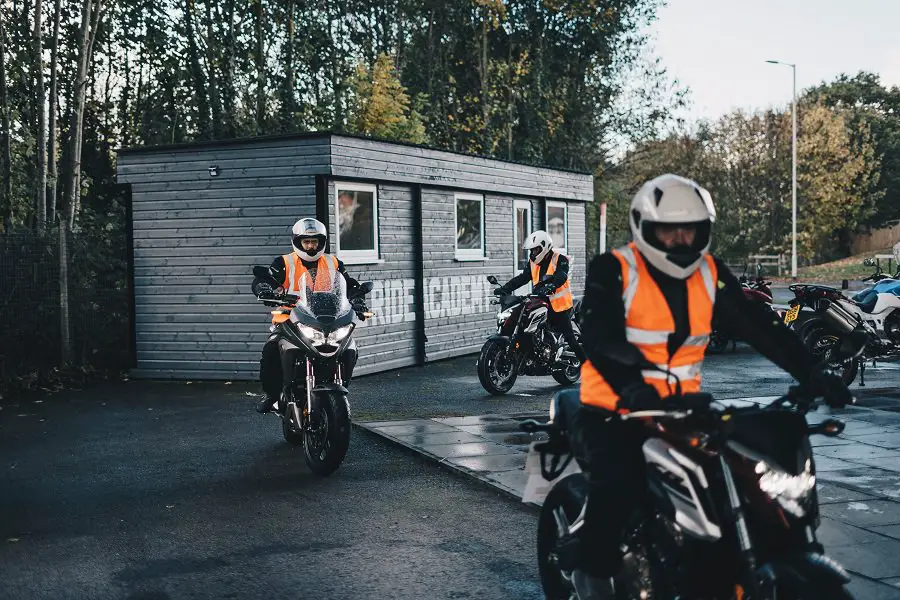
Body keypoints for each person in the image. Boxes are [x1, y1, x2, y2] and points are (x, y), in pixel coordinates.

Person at [559, 173, 854, 581]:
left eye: (691, 230)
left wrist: (814, 372)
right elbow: (599, 336)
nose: (681, 240)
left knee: (730, 488)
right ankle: (591, 575)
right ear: (644, 227)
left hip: (685, 409)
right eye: (669, 230)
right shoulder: (614, 268)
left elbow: (758, 325)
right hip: (615, 408)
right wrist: (634, 386)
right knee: (619, 486)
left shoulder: (708, 273)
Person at [255, 217, 367, 414]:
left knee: (349, 347)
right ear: (298, 242)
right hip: (289, 319)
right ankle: (272, 394)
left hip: (326, 319)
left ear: (321, 242)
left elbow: (347, 283)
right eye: (306, 242)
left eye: (314, 241)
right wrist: (264, 288)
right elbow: (266, 279)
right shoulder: (283, 262)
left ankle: (342, 383)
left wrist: (357, 298)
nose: (310, 246)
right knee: (271, 349)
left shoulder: (333, 262)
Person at [493, 230, 586, 365]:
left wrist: (551, 286)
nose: (533, 253)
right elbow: (522, 278)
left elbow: (561, 275)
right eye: (532, 250)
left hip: (560, 307)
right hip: (540, 301)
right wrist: (505, 289)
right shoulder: (533, 262)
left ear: (544, 247)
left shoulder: (560, 259)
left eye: (536, 250)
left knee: (570, 339)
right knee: (520, 317)